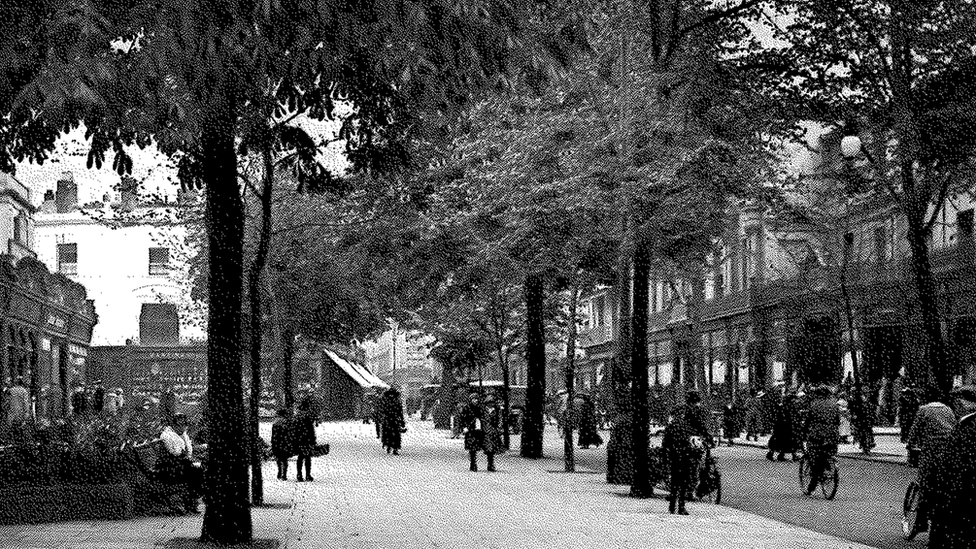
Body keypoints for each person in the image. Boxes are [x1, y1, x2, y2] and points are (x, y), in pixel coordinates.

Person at [928, 385, 976, 549]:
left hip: (957, 499)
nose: (954, 407)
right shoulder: (967, 424)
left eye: (955, 402)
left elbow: (957, 466)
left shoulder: (968, 428)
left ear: (962, 404)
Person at [662, 390, 714, 515]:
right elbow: (702, 428)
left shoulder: (677, 411)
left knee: (675, 476)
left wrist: (666, 449)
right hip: (688, 449)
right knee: (686, 477)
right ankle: (681, 505)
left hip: (675, 448)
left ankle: (672, 504)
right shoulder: (695, 412)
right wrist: (709, 439)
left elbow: (669, 429)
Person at [158, 413, 204, 514]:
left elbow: (187, 452)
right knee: (197, 472)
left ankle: (191, 500)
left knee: (200, 471)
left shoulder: (183, 435)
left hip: (180, 464)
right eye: (180, 425)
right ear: (174, 425)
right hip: (170, 466)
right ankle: (190, 501)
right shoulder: (168, 436)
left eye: (184, 424)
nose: (183, 427)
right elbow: (175, 453)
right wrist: (188, 458)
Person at [801, 385, 840, 496]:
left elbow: (809, 420)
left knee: (813, 457)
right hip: (832, 434)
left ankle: (813, 483)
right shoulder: (834, 404)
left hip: (817, 434)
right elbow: (837, 420)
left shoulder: (814, 404)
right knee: (829, 451)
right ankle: (828, 465)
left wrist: (804, 430)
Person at [767, 391, 800, 462]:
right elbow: (793, 416)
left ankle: (777, 454)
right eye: (794, 400)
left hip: (781, 426)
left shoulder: (782, 406)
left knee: (782, 440)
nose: (795, 401)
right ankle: (791, 455)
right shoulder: (789, 407)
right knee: (789, 440)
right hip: (786, 426)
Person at [459, 393, 487, 471]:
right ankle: (473, 462)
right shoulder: (466, 408)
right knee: (472, 447)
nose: (475, 400)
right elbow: (462, 419)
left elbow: (483, 417)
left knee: (476, 446)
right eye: (473, 399)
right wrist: (464, 427)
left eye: (476, 399)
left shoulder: (480, 408)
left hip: (478, 429)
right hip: (470, 430)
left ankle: (473, 461)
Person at [379, 387, 406, 455]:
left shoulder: (385, 401)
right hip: (394, 420)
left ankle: (389, 446)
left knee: (387, 434)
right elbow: (400, 412)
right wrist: (402, 421)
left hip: (388, 420)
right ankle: (395, 448)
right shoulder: (397, 401)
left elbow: (382, 410)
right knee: (395, 435)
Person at [294, 401, 316, 482]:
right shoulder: (307, 417)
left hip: (299, 440)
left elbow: (294, 429)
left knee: (300, 457)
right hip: (307, 440)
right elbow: (310, 430)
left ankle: (299, 474)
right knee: (307, 458)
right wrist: (313, 440)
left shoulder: (297, 417)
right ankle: (307, 475)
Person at [271, 408, 295, 480]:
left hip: (277, 443)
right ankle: (284, 474)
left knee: (278, 458)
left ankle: (279, 472)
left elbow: (274, 435)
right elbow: (290, 434)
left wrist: (273, 442)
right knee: (284, 459)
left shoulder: (275, 423)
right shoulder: (287, 423)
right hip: (285, 443)